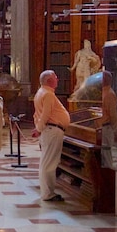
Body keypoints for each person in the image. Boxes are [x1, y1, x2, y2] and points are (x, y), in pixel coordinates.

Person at [31, 69, 72, 202]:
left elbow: (39, 114)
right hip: (52, 130)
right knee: (49, 163)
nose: (58, 79)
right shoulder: (48, 94)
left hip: (49, 130)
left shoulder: (41, 92)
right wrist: (39, 128)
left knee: (46, 162)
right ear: (49, 81)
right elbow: (45, 114)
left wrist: (39, 128)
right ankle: (48, 194)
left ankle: (47, 192)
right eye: (55, 77)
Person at [96, 71, 117, 168]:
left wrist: (113, 128)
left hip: (105, 128)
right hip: (100, 128)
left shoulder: (109, 94)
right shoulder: (101, 92)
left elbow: (113, 114)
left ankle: (108, 178)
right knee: (101, 156)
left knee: (106, 157)